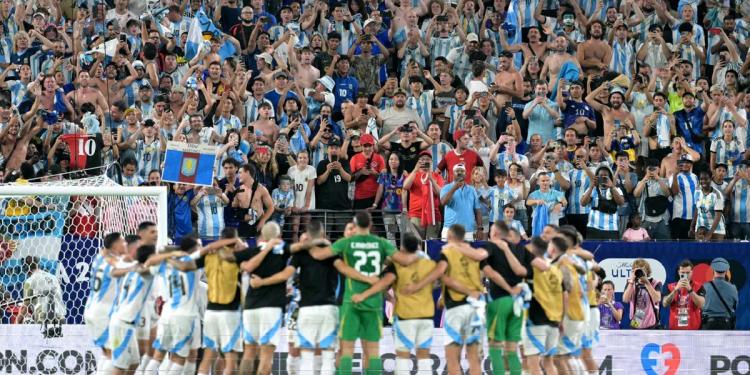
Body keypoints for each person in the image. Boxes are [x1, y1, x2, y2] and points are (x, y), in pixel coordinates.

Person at [297, 211, 417, 374]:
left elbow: (318, 254)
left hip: (351, 302)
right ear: (370, 225)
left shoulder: (346, 243)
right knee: (373, 351)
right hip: (374, 303)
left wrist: (308, 242)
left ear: (355, 224)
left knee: (346, 350)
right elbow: (404, 260)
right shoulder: (381, 243)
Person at [350, 232, 437, 375]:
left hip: (405, 317)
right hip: (426, 317)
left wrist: (366, 295)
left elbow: (384, 284)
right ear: (418, 247)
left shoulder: (397, 264)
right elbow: (437, 283)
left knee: (402, 358)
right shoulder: (429, 264)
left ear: (402, 248)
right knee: (424, 358)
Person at [83, 232, 128, 375]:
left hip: (92, 309)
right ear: (115, 244)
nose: (125, 244)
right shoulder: (112, 261)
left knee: (106, 353)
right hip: (104, 312)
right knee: (113, 355)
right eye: (123, 241)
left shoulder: (99, 257)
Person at [580, 166, 626, 239]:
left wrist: (612, 187)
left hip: (611, 228)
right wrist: (591, 187)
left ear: (610, 177)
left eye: (605, 176)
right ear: (596, 177)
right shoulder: (592, 189)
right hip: (593, 227)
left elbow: (621, 203)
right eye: (600, 176)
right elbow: (583, 203)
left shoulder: (616, 189)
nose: (603, 178)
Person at [440, 163, 483, 241]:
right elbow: (443, 202)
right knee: (449, 253)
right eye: (457, 171)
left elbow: (477, 210)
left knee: (467, 253)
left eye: (462, 171)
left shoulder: (472, 189)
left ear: (465, 174)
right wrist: (454, 188)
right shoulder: (446, 188)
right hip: (450, 230)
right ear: (453, 174)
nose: (460, 173)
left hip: (468, 231)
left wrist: (480, 228)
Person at [662, 260, 705, 330]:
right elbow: (665, 303)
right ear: (679, 272)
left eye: (688, 273)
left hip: (693, 330)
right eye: (683, 273)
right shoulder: (670, 286)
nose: (685, 275)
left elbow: (701, 304)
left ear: (692, 272)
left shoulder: (699, 286)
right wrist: (675, 290)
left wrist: (690, 290)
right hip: (674, 330)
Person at [622, 258, 662, 329]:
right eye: (637, 270)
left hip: (652, 323)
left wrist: (647, 283)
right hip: (636, 322)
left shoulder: (655, 283)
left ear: (647, 271)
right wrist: (631, 281)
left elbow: (657, 299)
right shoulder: (631, 283)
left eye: (642, 270)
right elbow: (625, 300)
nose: (640, 273)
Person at [700, 257, 738, 330]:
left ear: (713, 270)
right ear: (726, 271)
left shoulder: (704, 286)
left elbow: (700, 306)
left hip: (708, 323)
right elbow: (734, 306)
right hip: (726, 324)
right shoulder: (733, 288)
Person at [692, 170, 726, 240]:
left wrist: (710, 233)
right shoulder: (697, 192)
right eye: (701, 179)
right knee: (699, 250)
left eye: (706, 179)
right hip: (700, 227)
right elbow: (697, 210)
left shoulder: (717, 195)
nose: (703, 181)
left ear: (711, 179)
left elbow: (718, 217)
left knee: (715, 250)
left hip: (717, 228)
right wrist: (692, 226)